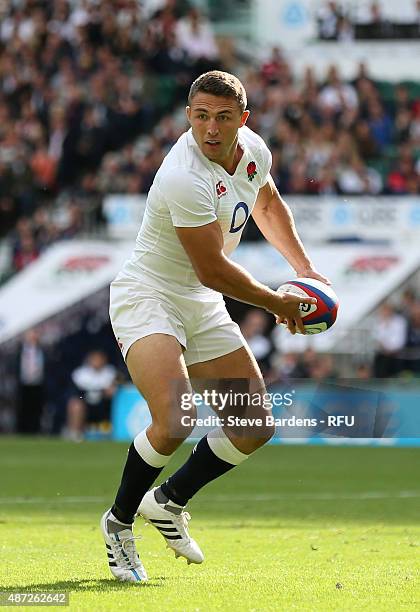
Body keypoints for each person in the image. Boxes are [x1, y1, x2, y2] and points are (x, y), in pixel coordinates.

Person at [101, 70, 329, 582]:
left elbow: (267, 204)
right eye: (201, 116)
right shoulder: (184, 174)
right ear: (188, 116)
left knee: (253, 426)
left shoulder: (253, 151)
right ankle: (118, 525)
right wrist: (279, 303)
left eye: (223, 117)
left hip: (198, 300)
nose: (210, 127)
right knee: (177, 420)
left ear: (242, 120)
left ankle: (168, 501)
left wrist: (305, 270)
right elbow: (214, 269)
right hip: (148, 294)